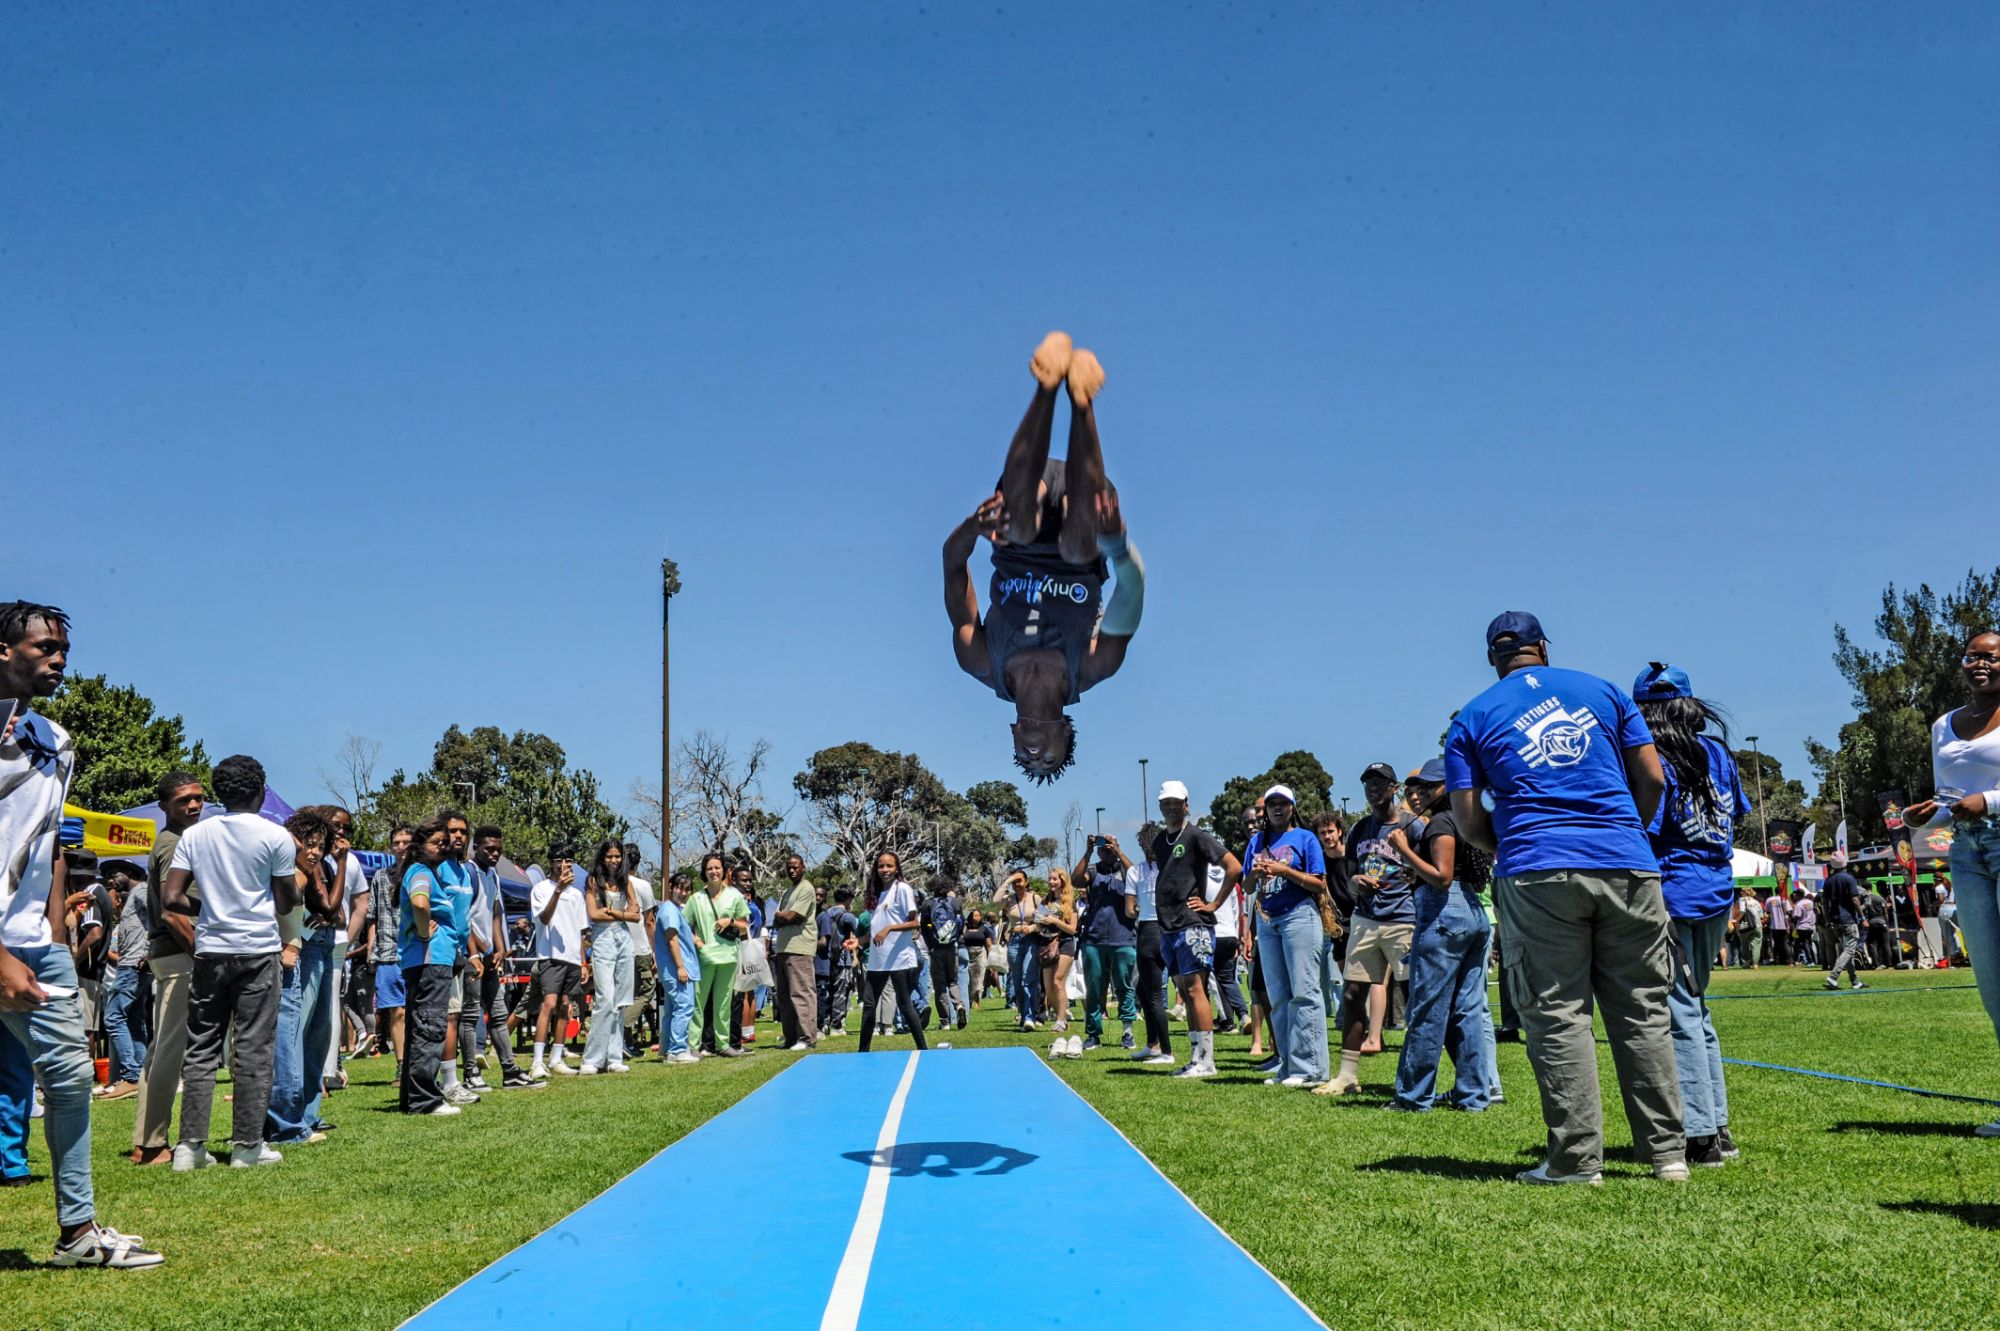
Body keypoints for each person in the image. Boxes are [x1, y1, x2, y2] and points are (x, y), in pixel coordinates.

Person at [1445, 611, 1687, 1185]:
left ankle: (1577, 1161)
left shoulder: (1471, 717)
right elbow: (1651, 778)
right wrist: (1631, 830)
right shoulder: (1603, 691)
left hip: (1536, 870)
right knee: (1644, 1013)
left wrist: (1506, 846)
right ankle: (1667, 1155)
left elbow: (1466, 816)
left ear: (1492, 658)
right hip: (1628, 862)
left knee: (1557, 1015)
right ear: (1543, 647)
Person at [0, 602, 162, 1264]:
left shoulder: (56, 741)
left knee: (68, 1076)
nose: (59, 657)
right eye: (44, 645)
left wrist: (53, 937)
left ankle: (78, 1232)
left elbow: (51, 846)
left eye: (64, 647)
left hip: (38, 945)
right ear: (4, 650)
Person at [943, 333, 1145, 785]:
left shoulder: (979, 661)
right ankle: (1081, 399)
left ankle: (1046, 387)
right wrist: (1118, 545)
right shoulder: (1094, 666)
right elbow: (1131, 590)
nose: (1033, 755)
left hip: (1023, 516)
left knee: (1013, 523)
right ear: (1067, 733)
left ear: (1014, 733)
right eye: (1047, 760)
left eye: (1025, 759)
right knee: (1078, 542)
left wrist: (972, 528)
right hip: (1084, 517)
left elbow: (952, 565)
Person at [161, 752, 305, 1168]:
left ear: (218, 794)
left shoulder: (195, 836)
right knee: (254, 1048)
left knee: (202, 1046)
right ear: (261, 791)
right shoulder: (274, 836)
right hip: (258, 949)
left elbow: (171, 898)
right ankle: (246, 1145)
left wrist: (209, 910)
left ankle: (190, 1147)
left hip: (209, 949)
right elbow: (285, 901)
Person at [1634, 662, 1751, 1167]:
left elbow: (1647, 822)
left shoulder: (1653, 759)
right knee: (1696, 1008)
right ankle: (1717, 1125)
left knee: (1676, 1011)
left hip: (1673, 892)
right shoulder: (1719, 754)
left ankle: (1699, 1134)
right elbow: (1737, 814)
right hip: (1715, 888)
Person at [1901, 629, 2000, 1134]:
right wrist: (1923, 819)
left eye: (1991, 657)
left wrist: (1991, 802)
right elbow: (1951, 802)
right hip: (1967, 850)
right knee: (1992, 983)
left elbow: (1982, 798)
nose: (1979, 665)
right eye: (1971, 657)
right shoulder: (1944, 725)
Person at [1389, 760, 1498, 1112]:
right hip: (1474, 914)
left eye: (1428, 786)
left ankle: (1413, 1096)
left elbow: (1442, 876)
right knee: (1466, 1010)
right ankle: (1474, 1094)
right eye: (1413, 788)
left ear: (1446, 788)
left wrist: (1404, 850)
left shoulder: (1440, 821)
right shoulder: (1468, 819)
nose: (1416, 793)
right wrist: (1416, 873)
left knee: (1426, 1009)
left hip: (1444, 911)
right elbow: (1457, 873)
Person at [131, 771, 205, 1167]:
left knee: (162, 1050)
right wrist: (202, 955)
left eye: (197, 798)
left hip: (170, 954)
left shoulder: (179, 840)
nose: (193, 805)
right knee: (171, 1052)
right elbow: (172, 912)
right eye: (183, 801)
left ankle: (147, 1139)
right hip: (179, 954)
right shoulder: (174, 844)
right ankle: (154, 1144)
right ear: (164, 806)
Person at [1332, 763, 1423, 1082]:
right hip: (1365, 919)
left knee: (1415, 995)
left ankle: (1420, 1075)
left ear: (1394, 788)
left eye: (1380, 782)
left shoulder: (1413, 826)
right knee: (1352, 993)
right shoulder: (1359, 828)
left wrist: (1412, 873)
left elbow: (1430, 868)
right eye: (1368, 782)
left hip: (1403, 919)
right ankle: (1346, 1077)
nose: (1373, 788)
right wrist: (1357, 880)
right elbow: (1351, 874)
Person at [1150, 780, 1244, 1079]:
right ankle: (1195, 1057)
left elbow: (1234, 866)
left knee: (1195, 989)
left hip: (1192, 924)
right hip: (1169, 925)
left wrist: (1214, 903)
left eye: (1176, 802)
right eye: (1166, 802)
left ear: (1186, 804)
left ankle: (1206, 1060)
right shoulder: (1158, 842)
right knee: (1185, 992)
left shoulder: (1197, 836)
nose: (1171, 807)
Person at [266, 807, 339, 1146]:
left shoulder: (302, 870)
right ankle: (287, 1122)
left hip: (305, 949)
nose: (315, 852)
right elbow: (288, 902)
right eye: (309, 844)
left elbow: (325, 909)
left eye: (320, 846)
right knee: (289, 1039)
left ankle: (303, 1116)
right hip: (288, 958)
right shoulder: (290, 872)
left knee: (313, 1035)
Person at [466, 825, 535, 1089]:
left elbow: (495, 914)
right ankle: (471, 1073)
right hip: (471, 955)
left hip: (490, 957)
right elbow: (464, 917)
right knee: (471, 1016)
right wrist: (480, 949)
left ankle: (510, 1071)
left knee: (498, 1013)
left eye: (498, 849)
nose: (495, 854)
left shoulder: (493, 875)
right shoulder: (469, 872)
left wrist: (499, 950)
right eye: (489, 849)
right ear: (477, 847)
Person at [857, 852, 928, 1053]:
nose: (885, 870)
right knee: (869, 1005)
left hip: (899, 957)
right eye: (881, 866)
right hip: (877, 959)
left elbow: (915, 923)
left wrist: (889, 929)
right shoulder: (875, 895)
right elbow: (874, 930)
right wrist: (858, 941)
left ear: (896, 868)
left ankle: (923, 1049)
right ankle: (863, 1051)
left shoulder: (902, 889)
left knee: (905, 1004)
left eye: (889, 866)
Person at [580, 840, 639, 1074]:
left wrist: (613, 912)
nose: (613, 860)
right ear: (602, 858)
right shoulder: (593, 881)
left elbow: (636, 916)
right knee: (605, 998)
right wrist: (623, 914)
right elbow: (593, 914)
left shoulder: (627, 883)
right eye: (609, 856)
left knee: (621, 1000)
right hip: (603, 940)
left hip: (624, 939)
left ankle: (614, 1056)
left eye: (617, 856)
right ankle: (592, 1058)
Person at [529, 847, 588, 1077]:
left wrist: (583, 962)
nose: (565, 864)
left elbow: (582, 931)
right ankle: (537, 1061)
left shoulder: (577, 894)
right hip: (550, 955)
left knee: (565, 1007)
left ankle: (556, 1058)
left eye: (570, 860)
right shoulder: (541, 889)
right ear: (551, 863)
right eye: (561, 860)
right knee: (549, 1004)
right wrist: (559, 890)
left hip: (572, 958)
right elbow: (544, 918)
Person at [1077, 834, 1138, 1052]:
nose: (1106, 849)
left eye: (1109, 845)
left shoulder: (1125, 870)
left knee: (1124, 986)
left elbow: (1137, 877)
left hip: (1124, 937)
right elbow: (1075, 880)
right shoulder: (1093, 870)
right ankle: (1093, 1033)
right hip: (1094, 938)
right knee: (1094, 988)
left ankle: (1128, 1032)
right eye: (1102, 846)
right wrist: (1088, 851)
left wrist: (1119, 851)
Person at [687, 853, 750, 1057]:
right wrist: (698, 943)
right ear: (704, 873)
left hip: (728, 956)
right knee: (698, 1002)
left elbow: (744, 927)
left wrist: (729, 922)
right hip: (705, 957)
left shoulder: (735, 896)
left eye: (717, 868)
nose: (714, 872)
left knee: (723, 1003)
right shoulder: (696, 899)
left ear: (724, 870)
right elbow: (684, 926)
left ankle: (723, 1044)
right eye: (709, 868)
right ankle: (693, 1045)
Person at [99, 859, 152, 1099]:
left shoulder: (141, 891)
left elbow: (159, 917)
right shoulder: (133, 894)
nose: (110, 879)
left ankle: (130, 1076)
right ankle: (140, 1076)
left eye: (114, 873)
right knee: (133, 1020)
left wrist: (149, 952)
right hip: (133, 964)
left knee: (112, 1017)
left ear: (130, 872)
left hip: (133, 964)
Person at [363, 824, 414, 1071]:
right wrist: (370, 950)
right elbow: (372, 916)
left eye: (406, 842)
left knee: (415, 1011)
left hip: (415, 951)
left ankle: (417, 1063)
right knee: (396, 1012)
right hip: (387, 952)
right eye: (397, 842)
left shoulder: (420, 874)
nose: (401, 847)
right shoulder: (381, 877)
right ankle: (401, 1064)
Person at [1123, 825, 1173, 1063]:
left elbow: (1130, 910)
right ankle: (1152, 1043)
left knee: (1152, 995)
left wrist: (1141, 906)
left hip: (1149, 930)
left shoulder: (1136, 871)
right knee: (1145, 989)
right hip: (1171, 928)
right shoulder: (1171, 867)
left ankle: (1166, 1051)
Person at [772, 854, 821, 1050]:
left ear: (803, 868)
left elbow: (792, 916)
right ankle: (791, 1037)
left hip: (800, 948)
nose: (792, 870)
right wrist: (781, 916)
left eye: (795, 867)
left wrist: (781, 916)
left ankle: (807, 1038)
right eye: (789, 868)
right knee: (784, 996)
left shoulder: (806, 888)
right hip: (783, 948)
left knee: (801, 993)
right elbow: (777, 919)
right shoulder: (788, 891)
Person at [652, 872, 699, 1063]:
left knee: (672, 1010)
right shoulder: (670, 910)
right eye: (679, 887)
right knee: (684, 1007)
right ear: (671, 887)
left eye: (687, 889)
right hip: (676, 969)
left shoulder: (672, 909)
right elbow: (672, 938)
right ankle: (678, 1050)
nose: (683, 893)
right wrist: (680, 967)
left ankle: (666, 1049)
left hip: (672, 969)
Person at [621, 843, 659, 1055]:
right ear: (637, 863)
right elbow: (650, 921)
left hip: (619, 948)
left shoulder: (612, 884)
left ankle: (626, 1041)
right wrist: (655, 951)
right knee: (646, 991)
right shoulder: (643, 886)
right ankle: (624, 1029)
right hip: (640, 947)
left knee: (626, 995)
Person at [1037, 868, 1080, 1034]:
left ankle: (1061, 1021)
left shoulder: (1070, 902)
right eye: (1049, 879)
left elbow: (1072, 929)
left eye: (1054, 879)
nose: (1051, 882)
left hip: (1065, 943)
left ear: (1062, 880)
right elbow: (1038, 922)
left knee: (1058, 981)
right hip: (1047, 943)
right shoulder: (1045, 901)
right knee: (1048, 987)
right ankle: (1059, 1016)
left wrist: (1055, 920)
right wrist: (1038, 923)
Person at [920, 875, 964, 1033]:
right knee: (953, 981)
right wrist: (954, 940)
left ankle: (945, 1021)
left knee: (939, 987)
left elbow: (924, 927)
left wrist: (930, 945)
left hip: (936, 948)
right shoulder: (956, 902)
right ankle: (959, 1005)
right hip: (951, 947)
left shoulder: (928, 904)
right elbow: (961, 924)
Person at [1000, 872, 1044, 1030]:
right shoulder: (1009, 899)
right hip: (1014, 941)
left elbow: (1044, 920)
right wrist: (1008, 880)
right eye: (1014, 882)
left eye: (1019, 881)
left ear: (1026, 882)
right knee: (1017, 981)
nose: (1017, 884)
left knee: (1029, 978)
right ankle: (1023, 1014)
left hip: (1032, 939)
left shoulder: (1035, 898)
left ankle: (1030, 1017)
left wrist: (1031, 927)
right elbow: (995, 902)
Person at [817, 885, 860, 1035]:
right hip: (842, 958)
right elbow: (860, 931)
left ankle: (825, 1022)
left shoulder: (825, 914)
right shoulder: (847, 916)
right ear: (849, 899)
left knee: (828, 991)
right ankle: (837, 1025)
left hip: (827, 959)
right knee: (841, 992)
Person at [1821, 857, 1868, 990]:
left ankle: (1855, 981)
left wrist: (1827, 918)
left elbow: (1825, 902)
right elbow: (1855, 899)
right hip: (1848, 919)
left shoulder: (1828, 881)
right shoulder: (1849, 879)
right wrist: (1863, 916)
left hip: (1835, 921)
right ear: (1845, 864)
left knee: (1846, 952)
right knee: (1849, 950)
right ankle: (1833, 977)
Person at [1790, 886, 1819, 967]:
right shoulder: (1810, 902)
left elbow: (1797, 916)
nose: (1794, 896)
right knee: (1798, 944)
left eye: (1796, 894)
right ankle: (1794, 961)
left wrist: (1792, 917)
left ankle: (1810, 961)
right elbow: (1815, 911)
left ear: (1798, 895)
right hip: (1811, 926)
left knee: (1805, 943)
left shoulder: (1799, 904)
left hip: (1802, 926)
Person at [1763, 885, 1790, 966]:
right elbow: (1789, 911)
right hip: (1784, 925)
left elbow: (1767, 911)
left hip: (1774, 925)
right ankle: (1789, 960)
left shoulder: (1769, 900)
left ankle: (1777, 960)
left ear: (1775, 891)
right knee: (1785, 942)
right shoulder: (1784, 900)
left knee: (1776, 943)